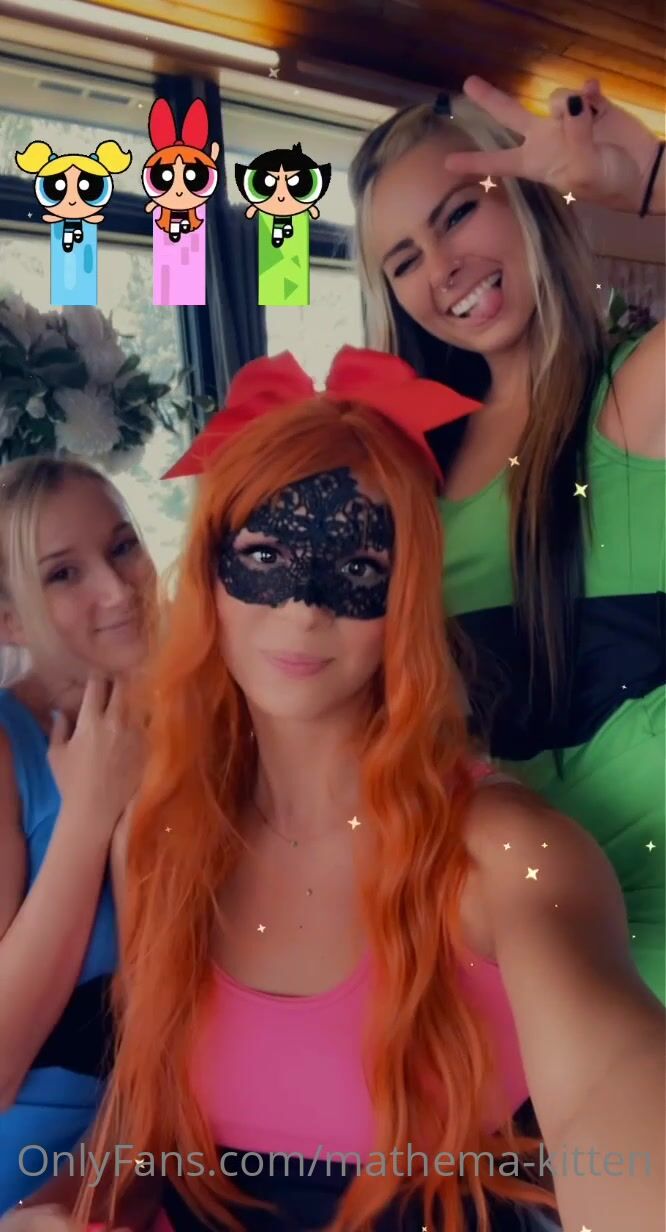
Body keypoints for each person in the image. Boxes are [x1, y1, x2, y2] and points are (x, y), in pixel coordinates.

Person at [4, 349, 663, 1232]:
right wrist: (61, 1207)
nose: (303, 608)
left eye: (356, 569)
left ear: (408, 596)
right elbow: (144, 1124)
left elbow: (610, 1093)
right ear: (209, 576)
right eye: (266, 554)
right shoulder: (160, 837)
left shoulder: (507, 852)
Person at [348, 76, 666, 1002]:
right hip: (505, 960)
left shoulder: (635, 400)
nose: (442, 269)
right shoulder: (404, 476)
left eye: (457, 214)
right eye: (403, 260)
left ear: (526, 196)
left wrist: (648, 179)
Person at [0, 457, 154, 1212]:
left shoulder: (213, 714)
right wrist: (89, 817)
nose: (118, 589)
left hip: (186, 1143)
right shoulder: (6, 747)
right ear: (9, 619)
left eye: (122, 546)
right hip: (33, 1181)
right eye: (64, 574)